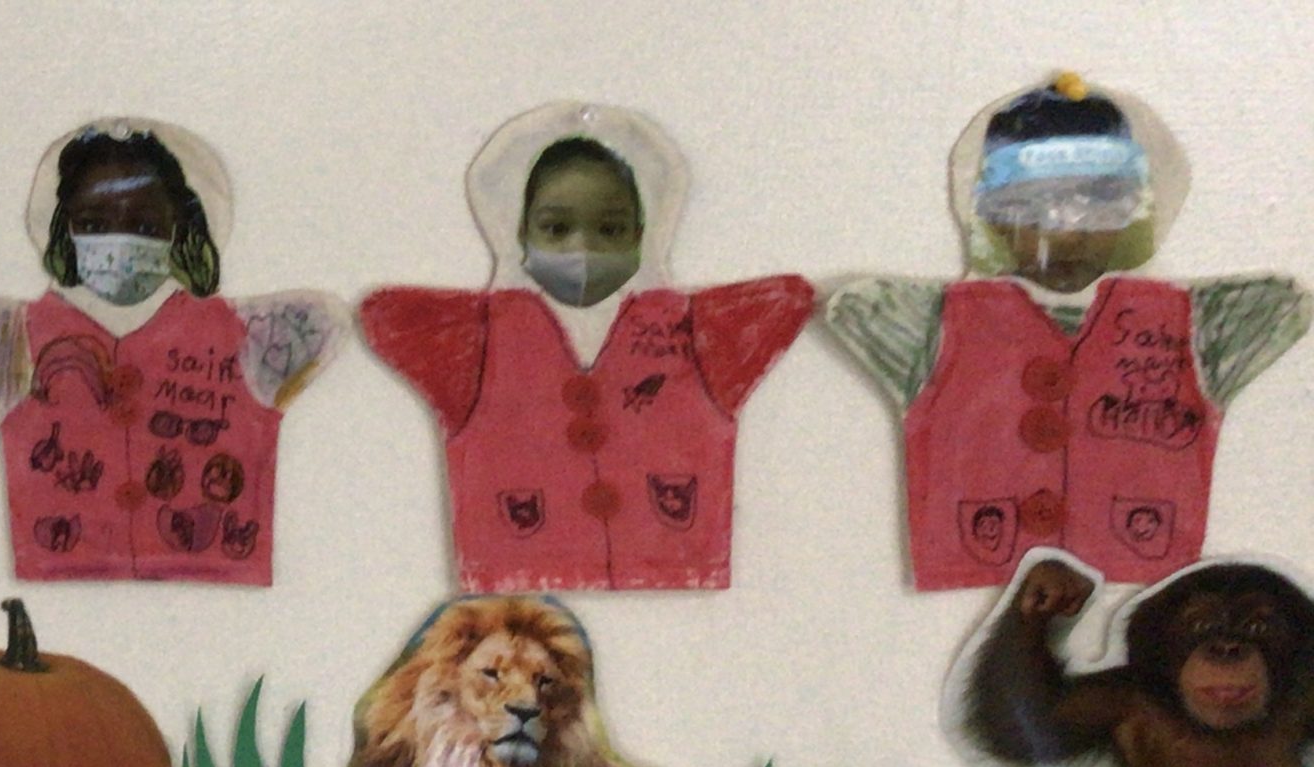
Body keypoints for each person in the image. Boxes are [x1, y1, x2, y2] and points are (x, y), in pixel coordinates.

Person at [826, 73, 1307, 590]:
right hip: (967, 578)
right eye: (1032, 209)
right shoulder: (922, 321)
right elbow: (848, 305)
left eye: (1099, 206)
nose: (1068, 234)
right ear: (992, 216)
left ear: (1133, 211)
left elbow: (1287, 302)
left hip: (1140, 588)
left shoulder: (1203, 322)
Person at [362, 102, 813, 592]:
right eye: (556, 229)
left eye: (610, 230)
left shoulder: (700, 330)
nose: (583, 248)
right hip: (516, 573)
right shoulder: (472, 337)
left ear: (644, 232)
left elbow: (792, 297)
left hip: (675, 568)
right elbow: (381, 313)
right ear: (519, 231)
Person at [0, 118, 343, 586]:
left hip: (215, 573)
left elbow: (327, 321)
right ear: (62, 227)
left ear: (180, 229)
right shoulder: (12, 338)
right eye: (92, 224)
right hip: (64, 576)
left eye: (144, 225)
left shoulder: (250, 333)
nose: (118, 241)